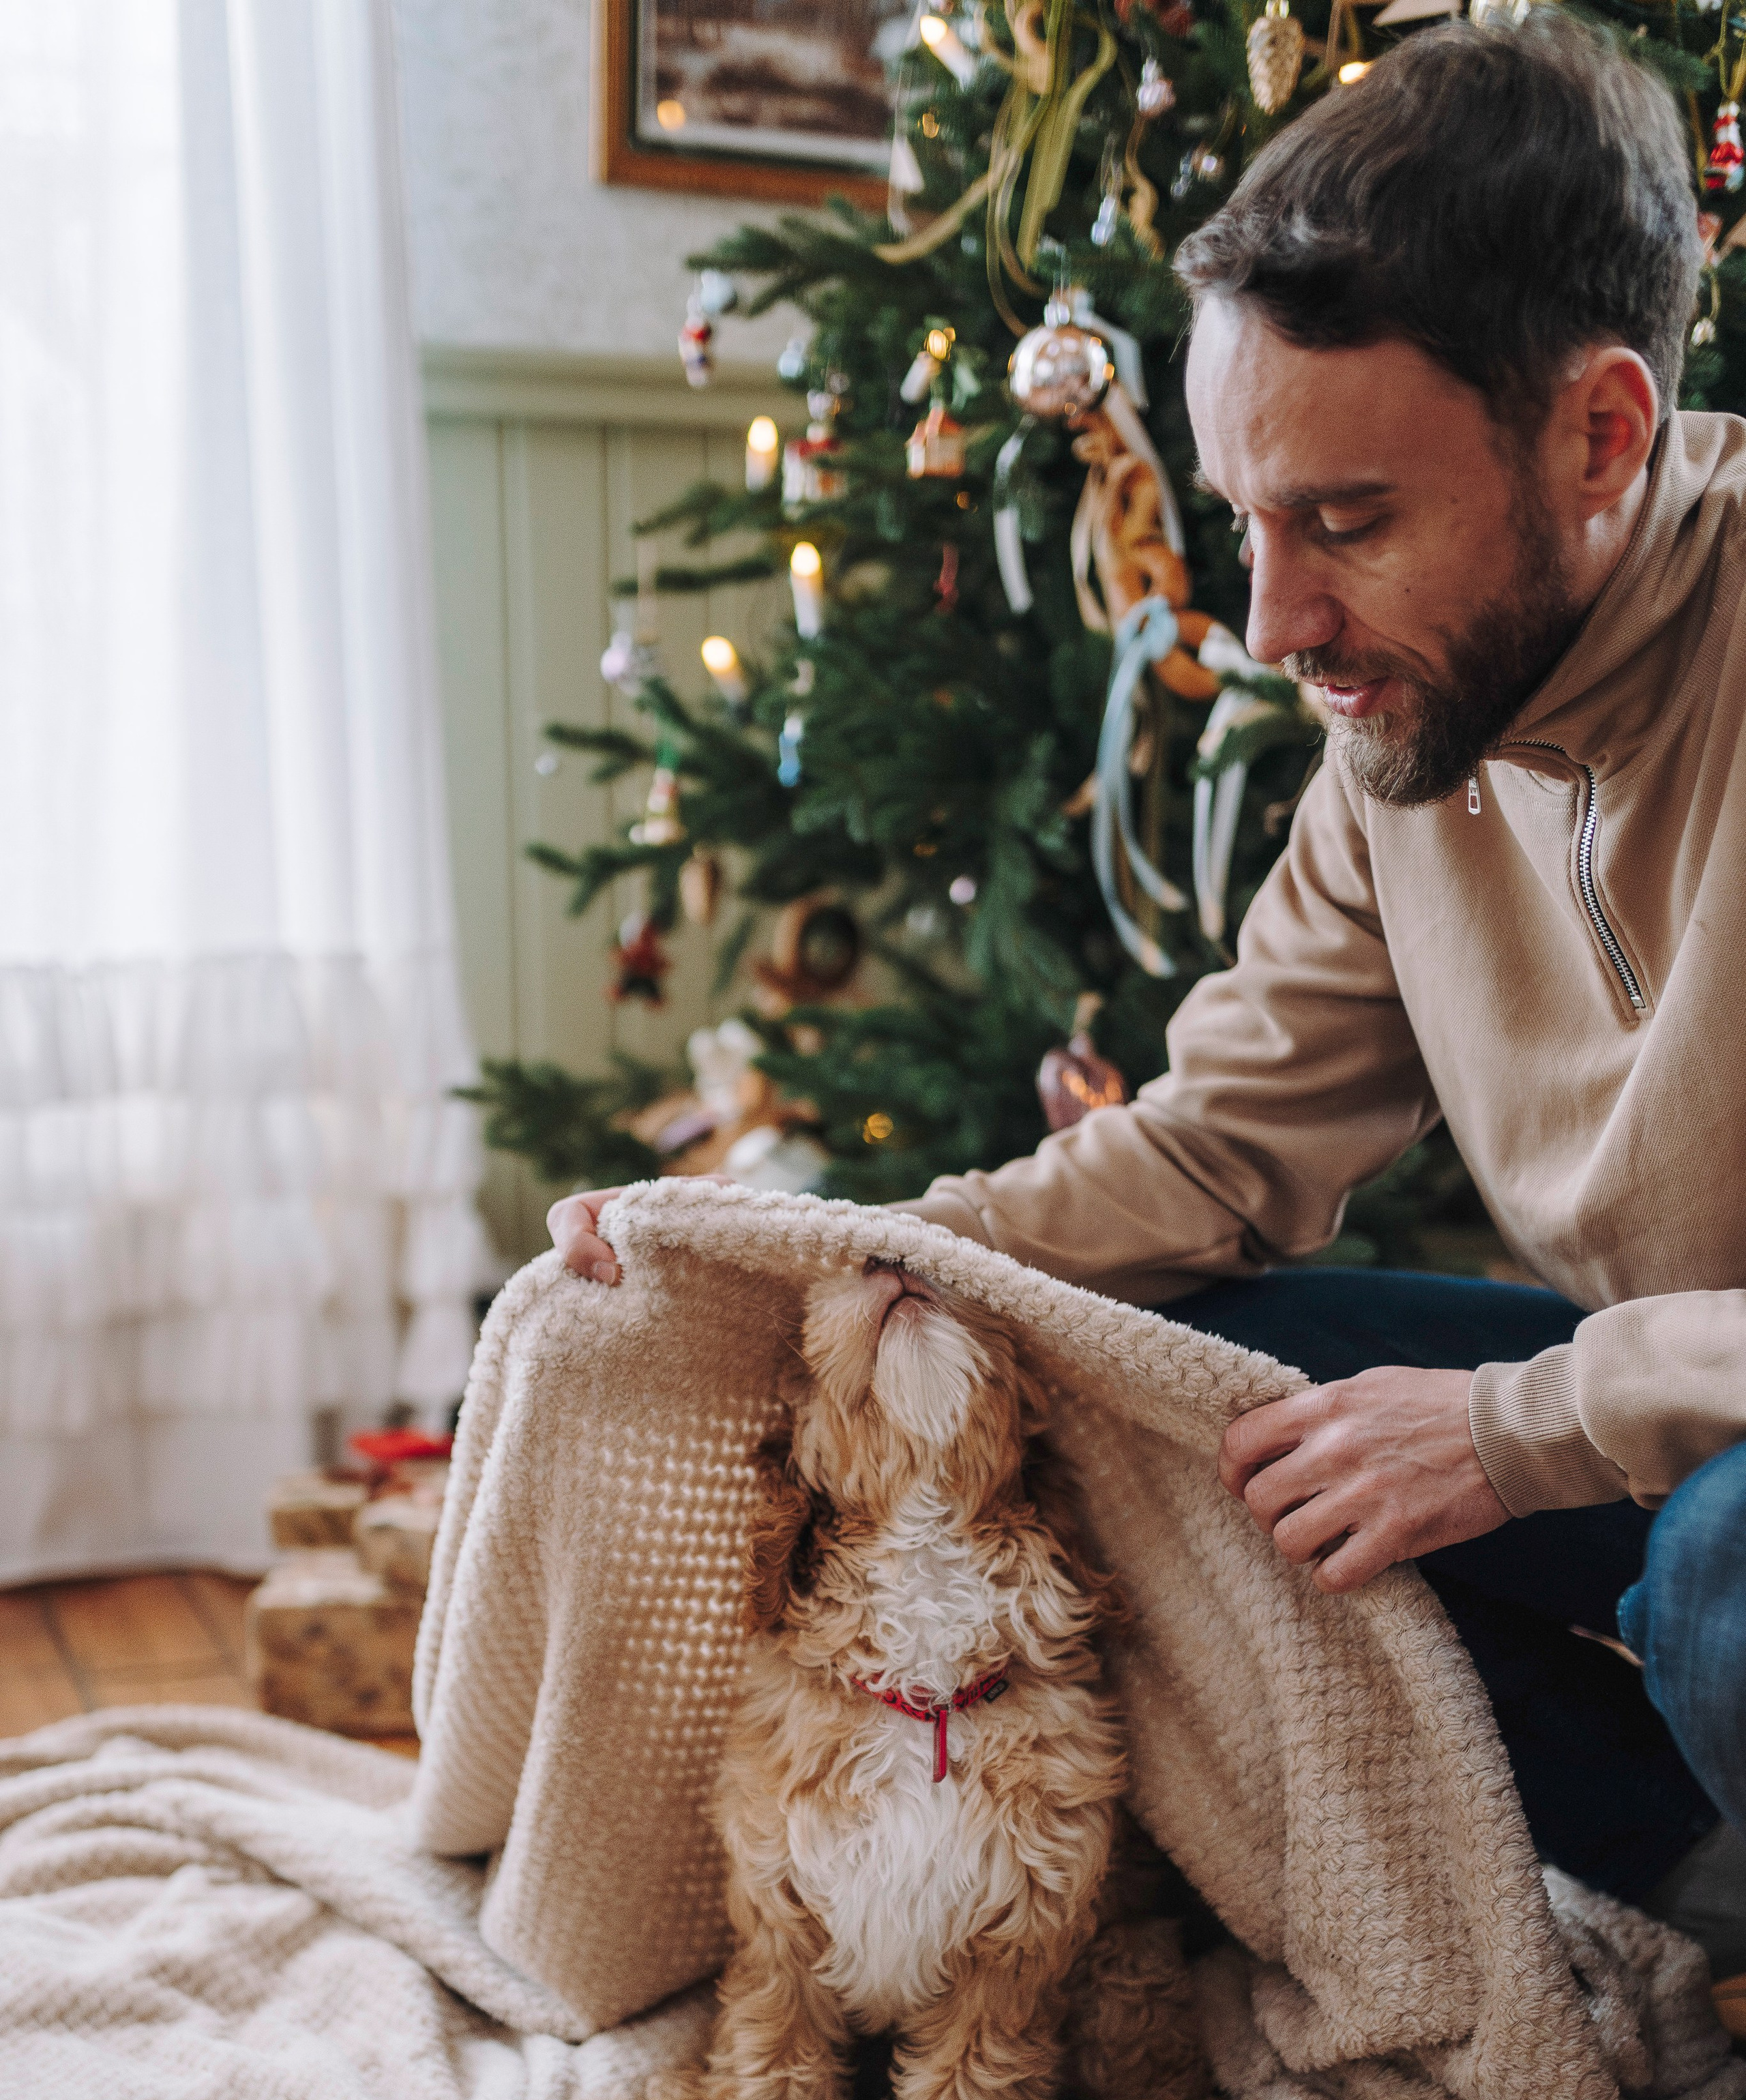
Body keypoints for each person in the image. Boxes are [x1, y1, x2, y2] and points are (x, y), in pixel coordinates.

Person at [549, 14, 1746, 1950]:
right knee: (1163, 1384)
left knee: (1731, 1571)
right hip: (1676, 1421)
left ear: (1601, 433)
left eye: (1347, 524)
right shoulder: (1416, 735)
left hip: (1717, 1493)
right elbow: (1209, 1161)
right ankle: (1720, 1909)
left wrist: (1522, 1428)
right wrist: (802, 1254)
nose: (1276, 627)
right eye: (1244, 523)